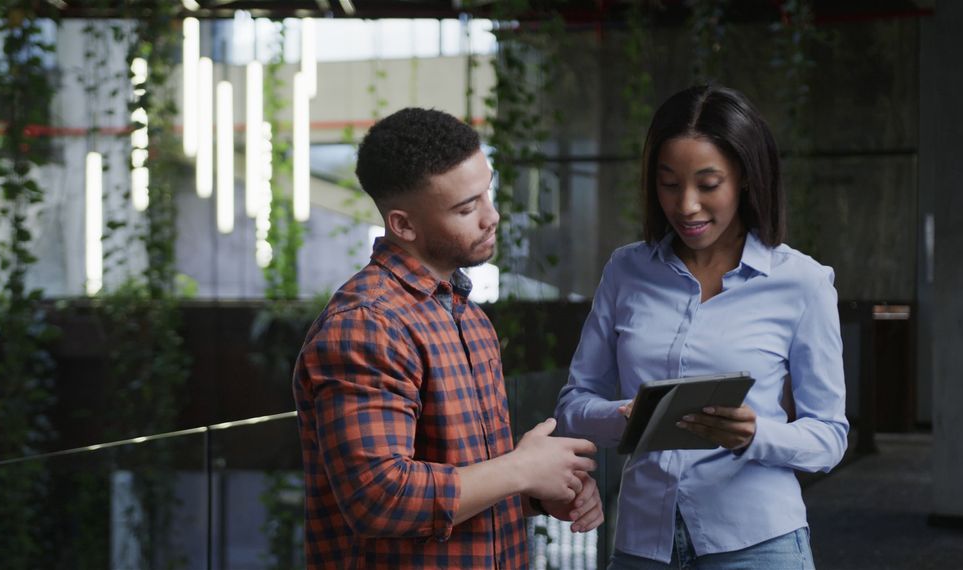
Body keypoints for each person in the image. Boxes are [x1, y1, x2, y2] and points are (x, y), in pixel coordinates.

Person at [292, 107, 604, 569]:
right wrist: (521, 469)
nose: (491, 217)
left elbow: (466, 486)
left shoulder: (468, 317)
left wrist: (538, 490)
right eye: (466, 208)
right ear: (403, 226)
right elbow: (379, 499)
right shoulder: (367, 325)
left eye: (487, 194)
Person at [555, 85, 849, 569]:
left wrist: (757, 435)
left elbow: (828, 437)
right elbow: (572, 407)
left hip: (758, 544)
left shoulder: (802, 282)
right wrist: (625, 418)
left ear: (747, 180)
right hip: (642, 544)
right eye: (669, 184)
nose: (686, 204)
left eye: (708, 184)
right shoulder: (626, 271)